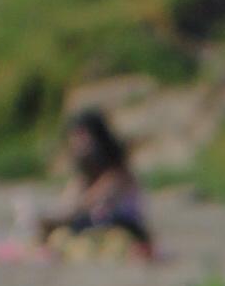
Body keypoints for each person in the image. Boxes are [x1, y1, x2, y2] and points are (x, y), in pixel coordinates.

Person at [36, 104, 156, 256]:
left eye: (81, 136)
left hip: (125, 228)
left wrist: (51, 219)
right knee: (62, 233)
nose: (77, 143)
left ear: (97, 137)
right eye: (74, 137)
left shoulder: (118, 173)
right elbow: (67, 204)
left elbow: (86, 203)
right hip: (95, 226)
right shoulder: (84, 175)